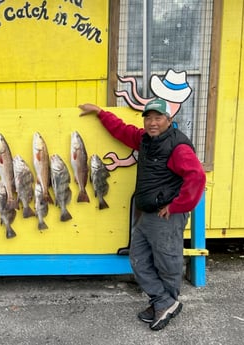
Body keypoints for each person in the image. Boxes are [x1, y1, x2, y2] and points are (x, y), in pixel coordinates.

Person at [79, 98, 206, 331]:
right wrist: (99, 112)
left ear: (170, 120)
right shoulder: (146, 140)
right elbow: (123, 131)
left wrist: (177, 206)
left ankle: (164, 303)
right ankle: (163, 301)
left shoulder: (178, 147)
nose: (152, 122)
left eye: (158, 118)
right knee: (138, 257)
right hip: (149, 212)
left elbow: (197, 177)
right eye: (148, 117)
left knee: (167, 261)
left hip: (167, 214)